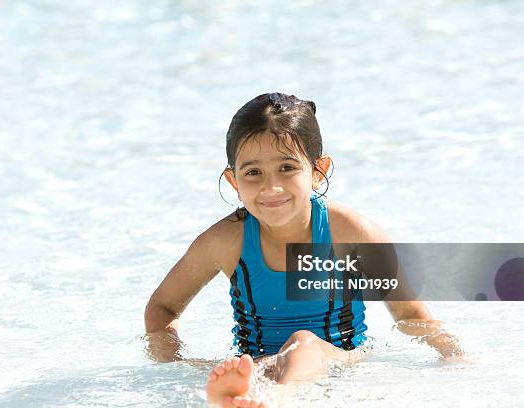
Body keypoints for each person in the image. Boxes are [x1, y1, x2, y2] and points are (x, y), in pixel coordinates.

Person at [144, 93, 463, 407]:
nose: (271, 188)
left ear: (318, 171)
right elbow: (162, 308)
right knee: (259, 363)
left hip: (342, 363)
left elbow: (409, 313)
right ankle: (251, 392)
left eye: (287, 167)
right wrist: (175, 367)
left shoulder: (350, 234)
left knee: (303, 343)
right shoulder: (226, 241)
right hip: (259, 366)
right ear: (234, 181)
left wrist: (454, 354)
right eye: (253, 173)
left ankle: (271, 399)